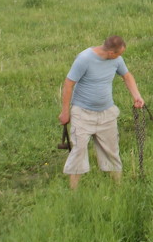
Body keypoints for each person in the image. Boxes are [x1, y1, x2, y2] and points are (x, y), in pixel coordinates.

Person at [58, 35, 144, 189]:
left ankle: (118, 187)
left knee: (111, 150)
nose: (120, 57)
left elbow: (127, 76)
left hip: (107, 113)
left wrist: (137, 96)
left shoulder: (116, 60)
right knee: (79, 150)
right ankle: (73, 192)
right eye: (119, 54)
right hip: (82, 113)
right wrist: (65, 113)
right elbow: (68, 84)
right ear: (111, 52)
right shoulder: (84, 59)